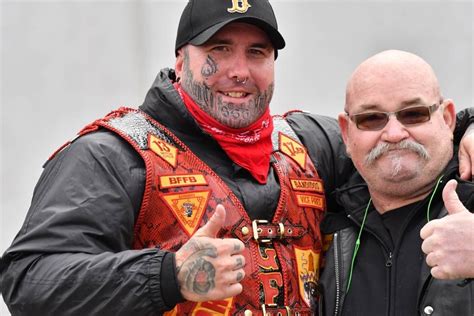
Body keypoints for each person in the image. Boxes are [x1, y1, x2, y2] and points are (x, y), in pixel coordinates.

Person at [0, 1, 473, 315]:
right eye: (219, 50)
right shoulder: (114, 155)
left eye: (257, 52)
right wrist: (168, 275)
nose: (239, 71)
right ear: (181, 60)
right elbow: (28, 280)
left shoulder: (309, 143)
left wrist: (470, 126)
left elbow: (406, 145)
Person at [319, 50, 474, 316]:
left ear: (447, 119)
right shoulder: (324, 219)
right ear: (346, 132)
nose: (393, 134)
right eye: (371, 118)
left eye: (413, 114)